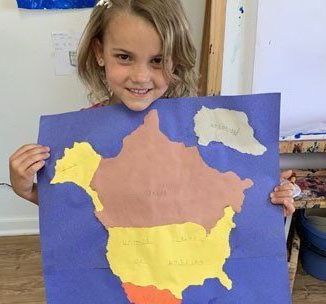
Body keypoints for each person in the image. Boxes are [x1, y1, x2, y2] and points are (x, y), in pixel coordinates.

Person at [8, 0, 295, 216]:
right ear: (99, 53)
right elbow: (75, 203)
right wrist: (28, 190)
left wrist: (267, 203)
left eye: (158, 60)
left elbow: (222, 197)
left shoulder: (206, 131)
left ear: (176, 59)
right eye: (124, 57)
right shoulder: (82, 137)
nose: (141, 76)